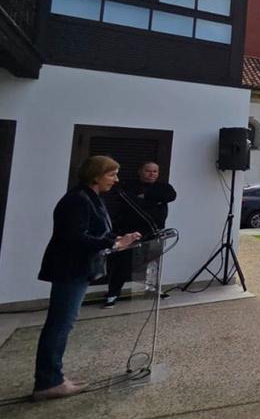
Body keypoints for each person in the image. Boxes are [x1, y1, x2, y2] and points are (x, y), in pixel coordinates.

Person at [33, 156, 142, 400]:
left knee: (63, 323)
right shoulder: (77, 200)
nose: (116, 180)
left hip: (78, 269)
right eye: (111, 175)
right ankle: (49, 382)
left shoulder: (90, 198)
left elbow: (96, 231)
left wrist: (120, 239)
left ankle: (52, 378)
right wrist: (113, 242)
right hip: (70, 269)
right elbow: (75, 237)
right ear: (95, 175)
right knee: (60, 324)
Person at [107, 161, 176, 307]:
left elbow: (171, 195)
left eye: (155, 171)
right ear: (140, 171)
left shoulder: (163, 187)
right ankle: (113, 293)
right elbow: (128, 200)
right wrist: (153, 201)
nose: (151, 174)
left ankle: (152, 289)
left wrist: (145, 196)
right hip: (130, 232)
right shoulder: (128, 186)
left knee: (152, 262)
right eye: (148, 171)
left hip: (154, 231)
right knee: (122, 263)